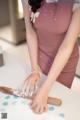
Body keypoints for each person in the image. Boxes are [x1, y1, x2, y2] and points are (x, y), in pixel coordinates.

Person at [21, 0, 80, 114]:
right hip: (40, 58)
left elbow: (67, 46)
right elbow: (30, 31)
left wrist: (44, 90)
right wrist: (34, 70)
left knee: (55, 109)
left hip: (64, 64)